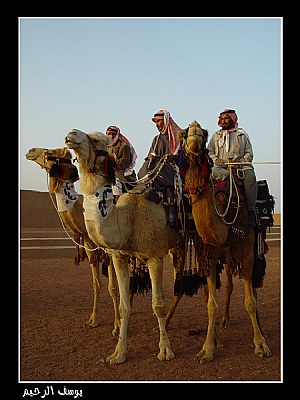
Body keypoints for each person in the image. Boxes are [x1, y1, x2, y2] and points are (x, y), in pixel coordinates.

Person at [207, 108, 258, 226]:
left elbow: (249, 153)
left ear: (232, 119)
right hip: (221, 168)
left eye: (226, 119)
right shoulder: (216, 136)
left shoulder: (241, 135)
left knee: (250, 176)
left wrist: (240, 163)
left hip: (241, 167)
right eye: (222, 119)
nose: (224, 121)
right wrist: (216, 159)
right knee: (213, 171)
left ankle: (250, 211)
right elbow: (209, 152)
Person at [138, 109, 182, 227]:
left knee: (159, 172)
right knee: (143, 170)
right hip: (158, 166)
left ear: (166, 121)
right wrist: (151, 158)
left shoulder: (179, 137)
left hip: (173, 168)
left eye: (159, 122)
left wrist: (172, 157)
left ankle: (167, 201)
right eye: (156, 122)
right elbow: (151, 154)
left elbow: (182, 157)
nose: (158, 125)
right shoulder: (156, 139)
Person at [105, 125, 137, 203]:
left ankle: (118, 201)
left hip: (121, 172)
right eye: (109, 134)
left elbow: (125, 163)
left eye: (113, 134)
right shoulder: (106, 147)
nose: (111, 136)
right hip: (108, 171)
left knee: (116, 181)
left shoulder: (123, 146)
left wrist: (112, 162)